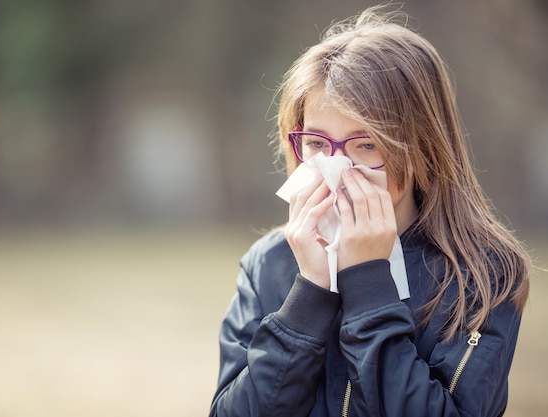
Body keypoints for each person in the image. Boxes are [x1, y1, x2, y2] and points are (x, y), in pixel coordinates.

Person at [208, 4, 532, 417]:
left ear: (423, 147)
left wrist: (367, 284)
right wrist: (310, 291)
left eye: (367, 145)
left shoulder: (484, 275)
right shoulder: (268, 263)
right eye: (318, 144)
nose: (338, 167)